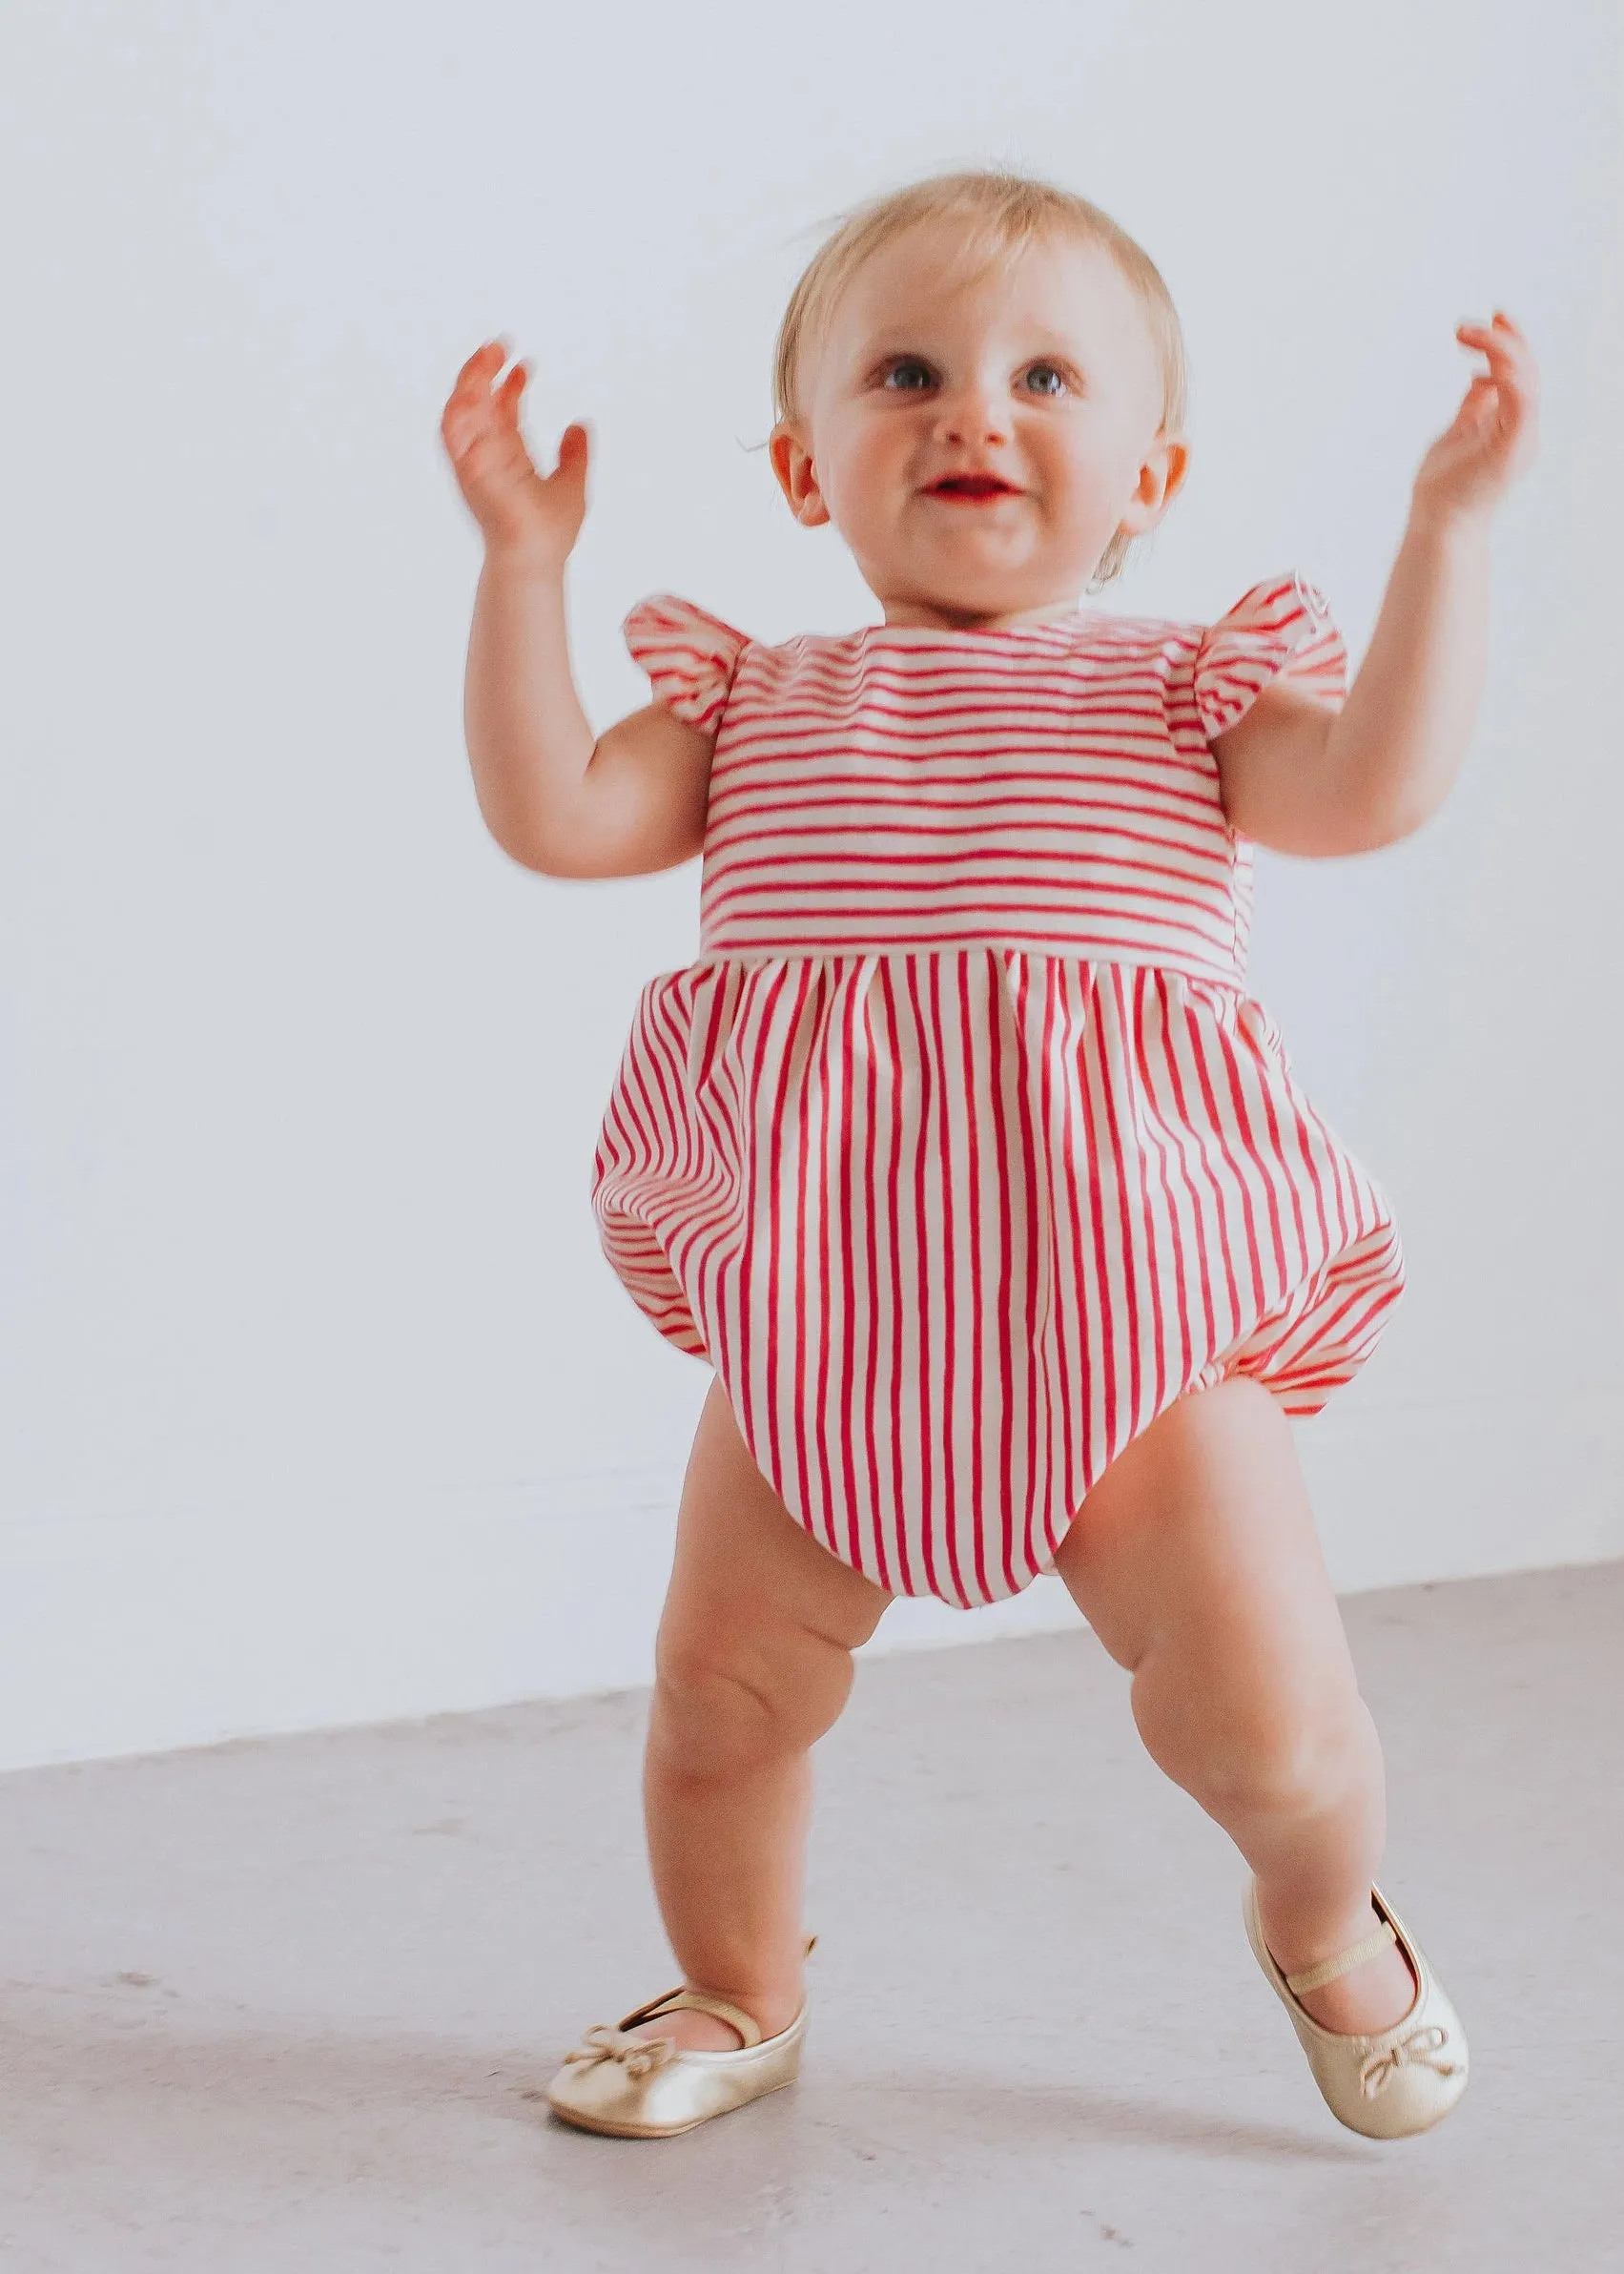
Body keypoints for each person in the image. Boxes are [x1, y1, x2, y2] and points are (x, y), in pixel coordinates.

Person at [439, 168, 1538, 2143]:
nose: (973, 413)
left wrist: (1443, 533)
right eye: (907, 373)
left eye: (1046, 374)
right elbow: (551, 815)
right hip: (833, 1317)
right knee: (721, 1698)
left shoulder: (1187, 692)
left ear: (1151, 474)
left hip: (1139, 1321)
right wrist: (523, 563)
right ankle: (734, 1987)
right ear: (803, 467)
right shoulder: (750, 704)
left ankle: (1321, 1912)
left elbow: (1373, 788)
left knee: (1266, 1729)